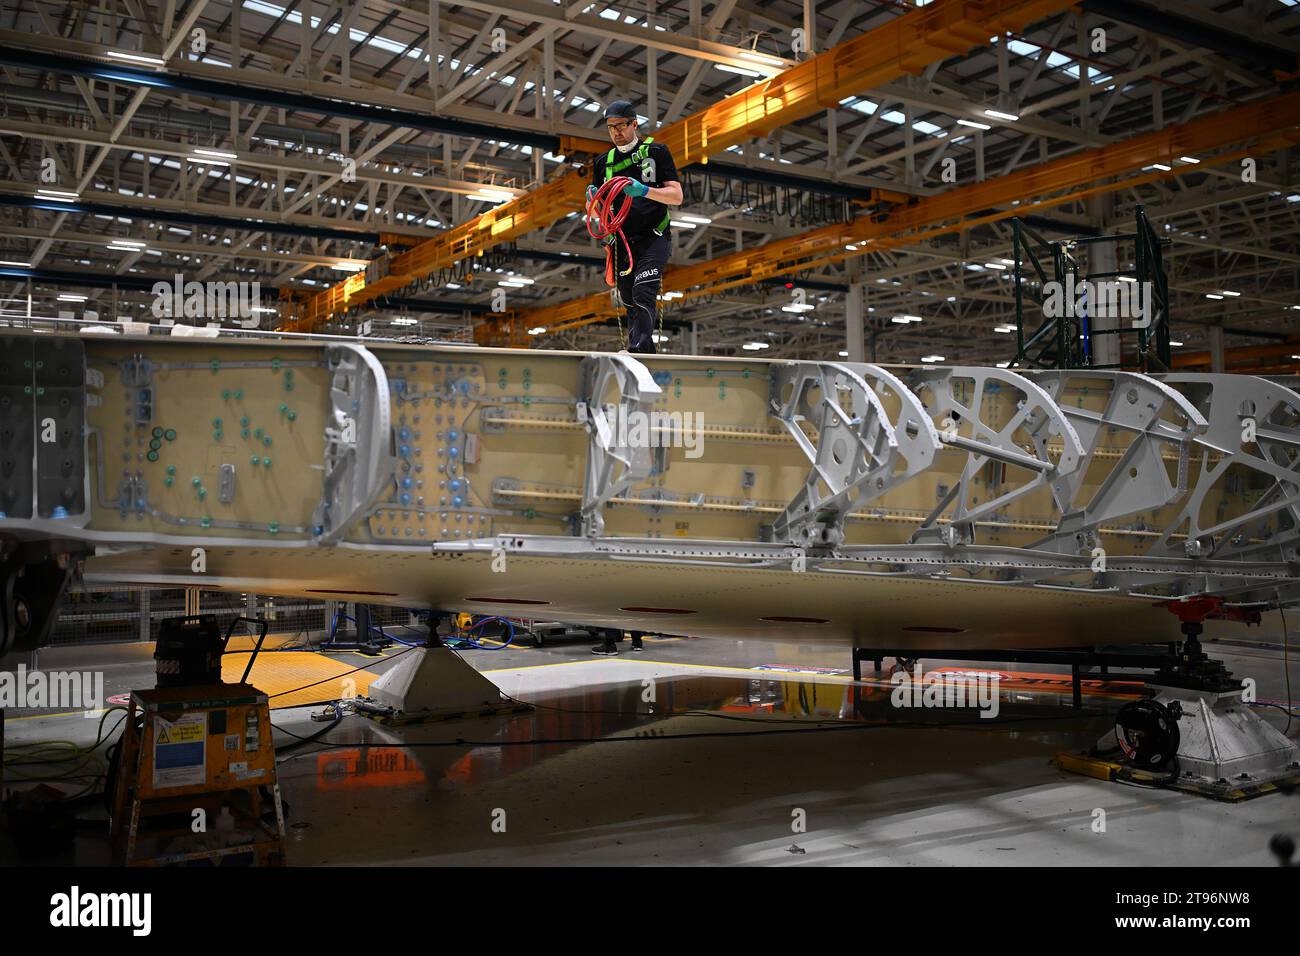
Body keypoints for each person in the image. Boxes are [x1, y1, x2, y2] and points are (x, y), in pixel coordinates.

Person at [585, 100, 683, 354]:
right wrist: (593, 201)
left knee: (643, 291)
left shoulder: (657, 152)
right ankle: (641, 351)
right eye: (610, 127)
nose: (616, 132)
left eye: (620, 126)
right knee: (628, 299)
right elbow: (599, 212)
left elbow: (676, 196)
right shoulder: (602, 163)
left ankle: (639, 349)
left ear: (634, 124)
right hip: (622, 240)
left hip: (654, 235)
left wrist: (644, 190)